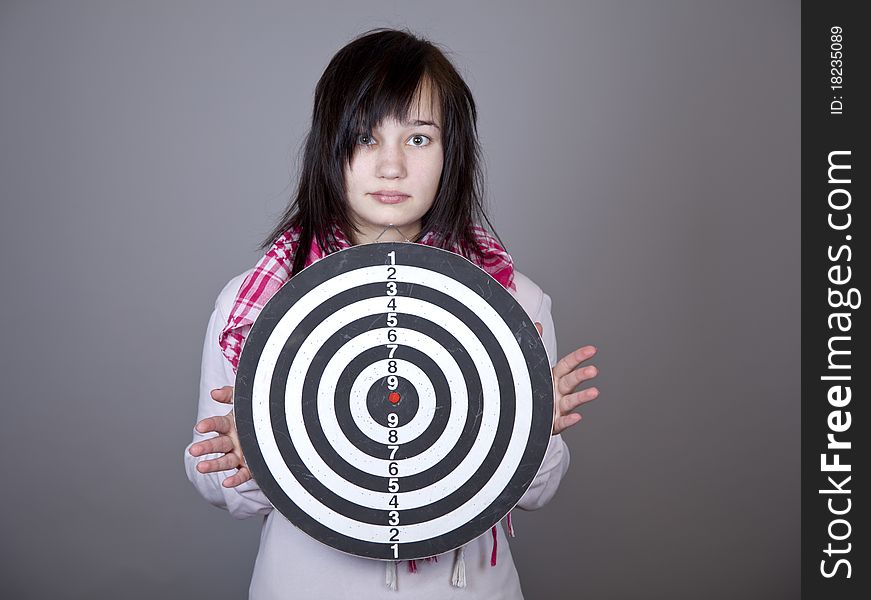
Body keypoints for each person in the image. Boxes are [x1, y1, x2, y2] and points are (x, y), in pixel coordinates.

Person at [185, 28, 599, 599]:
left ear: (453, 152)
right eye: (364, 137)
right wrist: (254, 457)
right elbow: (218, 487)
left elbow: (538, 491)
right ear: (329, 146)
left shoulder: (514, 302)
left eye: (420, 139)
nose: (391, 167)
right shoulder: (254, 304)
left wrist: (528, 429)